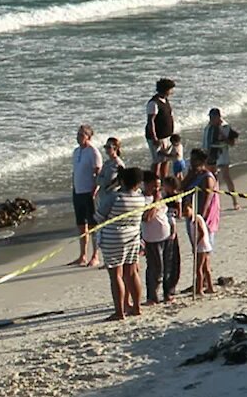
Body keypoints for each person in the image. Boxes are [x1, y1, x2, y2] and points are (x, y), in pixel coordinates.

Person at [100, 168, 147, 320]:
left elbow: (99, 216)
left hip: (113, 237)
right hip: (133, 236)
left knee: (115, 275)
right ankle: (137, 307)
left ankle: (119, 312)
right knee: (132, 272)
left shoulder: (115, 197)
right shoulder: (141, 198)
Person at [70, 124, 102, 268]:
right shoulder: (76, 152)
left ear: (88, 137)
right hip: (78, 191)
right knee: (81, 225)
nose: (78, 137)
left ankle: (95, 255)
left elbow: (98, 173)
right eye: (78, 134)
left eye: (81, 135)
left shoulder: (93, 152)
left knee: (94, 226)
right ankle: (82, 255)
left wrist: (95, 190)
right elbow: (75, 172)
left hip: (89, 193)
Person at [141, 172, 175, 305]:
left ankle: (167, 293)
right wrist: (155, 201)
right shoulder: (143, 199)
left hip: (166, 236)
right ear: (147, 185)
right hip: (152, 239)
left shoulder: (161, 197)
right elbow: (146, 218)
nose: (157, 189)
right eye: (154, 186)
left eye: (159, 186)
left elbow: (166, 213)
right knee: (156, 268)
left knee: (168, 266)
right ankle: (152, 296)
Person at [202, 108, 241, 210]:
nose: (211, 119)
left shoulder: (225, 127)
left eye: (213, 117)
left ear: (218, 117)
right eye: (210, 117)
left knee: (226, 177)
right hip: (210, 155)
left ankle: (235, 202)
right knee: (212, 179)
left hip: (222, 154)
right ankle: (213, 204)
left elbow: (233, 143)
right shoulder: (208, 127)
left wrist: (224, 137)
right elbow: (205, 143)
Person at [145, 78, 177, 169]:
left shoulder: (165, 100)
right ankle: (155, 180)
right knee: (157, 161)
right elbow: (151, 121)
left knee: (166, 159)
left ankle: (164, 179)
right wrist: (154, 138)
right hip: (157, 137)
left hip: (166, 136)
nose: (172, 92)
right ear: (166, 90)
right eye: (171, 89)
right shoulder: (154, 103)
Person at [185, 200, 214, 294]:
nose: (186, 213)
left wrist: (195, 245)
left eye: (187, 211)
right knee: (206, 268)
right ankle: (210, 287)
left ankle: (199, 289)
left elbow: (201, 232)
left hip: (202, 246)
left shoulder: (196, 219)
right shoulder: (192, 220)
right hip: (204, 246)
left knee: (199, 268)